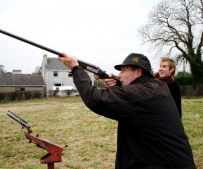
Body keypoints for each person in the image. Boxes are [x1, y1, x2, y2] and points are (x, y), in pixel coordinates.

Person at [59, 53, 196, 169]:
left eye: (123, 71)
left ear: (138, 72)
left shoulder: (142, 93)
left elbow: (94, 99)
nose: (120, 75)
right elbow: (135, 94)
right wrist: (118, 84)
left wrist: (76, 69)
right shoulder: (157, 85)